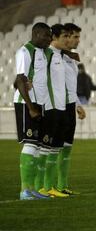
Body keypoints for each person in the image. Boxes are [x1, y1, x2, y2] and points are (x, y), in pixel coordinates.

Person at [13, 22, 52, 200]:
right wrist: (30, 107)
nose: (49, 39)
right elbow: (20, 79)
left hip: (39, 103)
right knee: (30, 144)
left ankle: (31, 189)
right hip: (27, 104)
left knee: (36, 146)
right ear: (36, 34)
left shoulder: (42, 53)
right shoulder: (25, 51)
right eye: (46, 35)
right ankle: (24, 190)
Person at [38, 24, 71, 198]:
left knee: (55, 148)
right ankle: (39, 187)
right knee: (44, 148)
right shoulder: (47, 55)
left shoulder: (59, 55)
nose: (68, 39)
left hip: (61, 107)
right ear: (54, 38)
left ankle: (49, 186)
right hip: (50, 107)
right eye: (65, 36)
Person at [57, 23, 86, 195]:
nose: (76, 40)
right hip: (58, 106)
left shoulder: (70, 59)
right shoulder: (55, 56)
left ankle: (62, 185)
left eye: (77, 37)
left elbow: (70, 86)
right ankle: (47, 186)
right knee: (53, 148)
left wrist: (77, 104)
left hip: (69, 105)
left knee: (67, 147)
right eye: (73, 36)